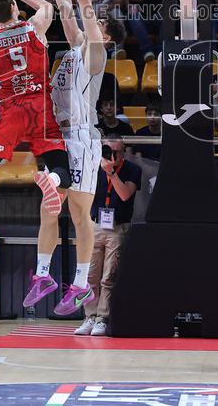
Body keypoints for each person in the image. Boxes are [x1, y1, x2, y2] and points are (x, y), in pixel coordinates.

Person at [26, 0, 126, 317]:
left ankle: (82, 284)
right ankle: (43, 275)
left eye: (99, 22)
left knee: (77, 214)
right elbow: (67, 5)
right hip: (58, 136)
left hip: (83, 140)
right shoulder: (73, 48)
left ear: (107, 37)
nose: (91, 22)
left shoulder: (96, 53)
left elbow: (83, 1)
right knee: (48, 209)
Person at [0, 0, 72, 265]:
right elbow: (46, 6)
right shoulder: (34, 29)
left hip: (12, 111)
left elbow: (0, 23)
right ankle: (52, 181)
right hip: (41, 106)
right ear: (15, 7)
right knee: (60, 166)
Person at [77, 135, 141, 337]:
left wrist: (112, 173)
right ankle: (89, 316)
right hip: (95, 225)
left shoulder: (132, 170)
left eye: (117, 151)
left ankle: (102, 318)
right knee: (90, 276)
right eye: (108, 151)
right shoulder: (94, 168)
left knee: (108, 276)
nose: (112, 155)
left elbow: (124, 195)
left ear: (123, 152)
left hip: (118, 227)